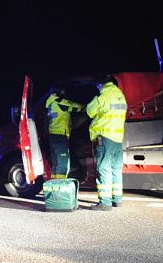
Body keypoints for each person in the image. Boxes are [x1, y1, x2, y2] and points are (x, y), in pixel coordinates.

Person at [85, 74, 128, 210]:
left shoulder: (102, 97)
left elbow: (89, 111)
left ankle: (105, 202)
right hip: (117, 137)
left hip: (104, 136)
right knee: (116, 168)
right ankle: (117, 199)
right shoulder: (120, 95)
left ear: (100, 85)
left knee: (103, 168)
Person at [46, 86, 84, 180]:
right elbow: (74, 107)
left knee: (56, 164)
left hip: (53, 136)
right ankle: (60, 187)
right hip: (60, 136)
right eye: (62, 91)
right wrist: (85, 107)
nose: (64, 93)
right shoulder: (59, 102)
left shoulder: (51, 102)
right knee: (63, 164)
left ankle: (54, 187)